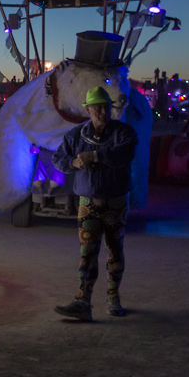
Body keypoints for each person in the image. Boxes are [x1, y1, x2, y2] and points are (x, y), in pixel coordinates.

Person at [52, 86, 138, 321]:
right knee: (87, 254)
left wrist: (96, 156)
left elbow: (125, 154)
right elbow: (58, 159)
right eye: (97, 107)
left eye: (106, 106)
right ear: (87, 110)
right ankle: (83, 302)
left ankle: (113, 296)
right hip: (87, 203)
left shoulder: (124, 133)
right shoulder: (75, 136)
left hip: (115, 202)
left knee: (114, 251)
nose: (102, 111)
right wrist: (76, 163)